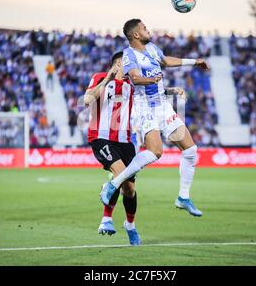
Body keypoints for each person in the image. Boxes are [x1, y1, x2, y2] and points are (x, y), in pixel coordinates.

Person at [100, 18, 210, 217]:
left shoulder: (151, 48)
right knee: (156, 152)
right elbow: (134, 77)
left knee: (191, 150)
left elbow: (166, 61)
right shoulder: (128, 55)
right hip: (143, 108)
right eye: (144, 28)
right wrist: (152, 78)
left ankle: (183, 198)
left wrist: (195, 62)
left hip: (162, 105)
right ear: (135, 34)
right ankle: (114, 183)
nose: (147, 30)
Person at [84, 52, 141, 245]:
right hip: (101, 138)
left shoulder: (132, 84)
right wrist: (108, 77)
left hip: (126, 142)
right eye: (127, 64)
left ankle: (130, 225)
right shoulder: (100, 77)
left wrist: (174, 91)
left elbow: (154, 93)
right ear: (118, 64)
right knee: (121, 173)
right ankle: (107, 219)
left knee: (130, 189)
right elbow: (87, 100)